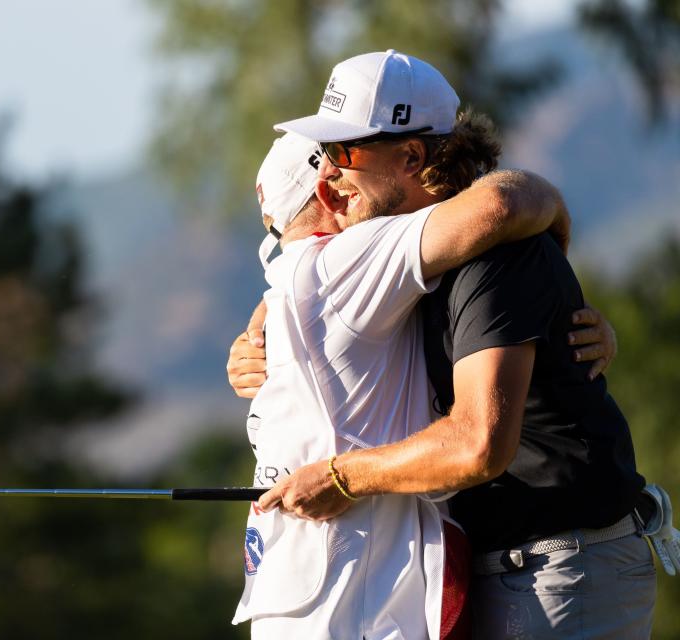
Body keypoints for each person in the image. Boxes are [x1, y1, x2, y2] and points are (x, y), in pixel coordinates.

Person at [229, 50, 658, 638]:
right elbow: (308, 274)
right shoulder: (415, 254)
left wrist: (339, 476)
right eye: (323, 155)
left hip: (561, 568)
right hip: (510, 567)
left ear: (410, 156)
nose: (327, 175)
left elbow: (478, 443)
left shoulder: (498, 249)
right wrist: (261, 334)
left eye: (343, 153)